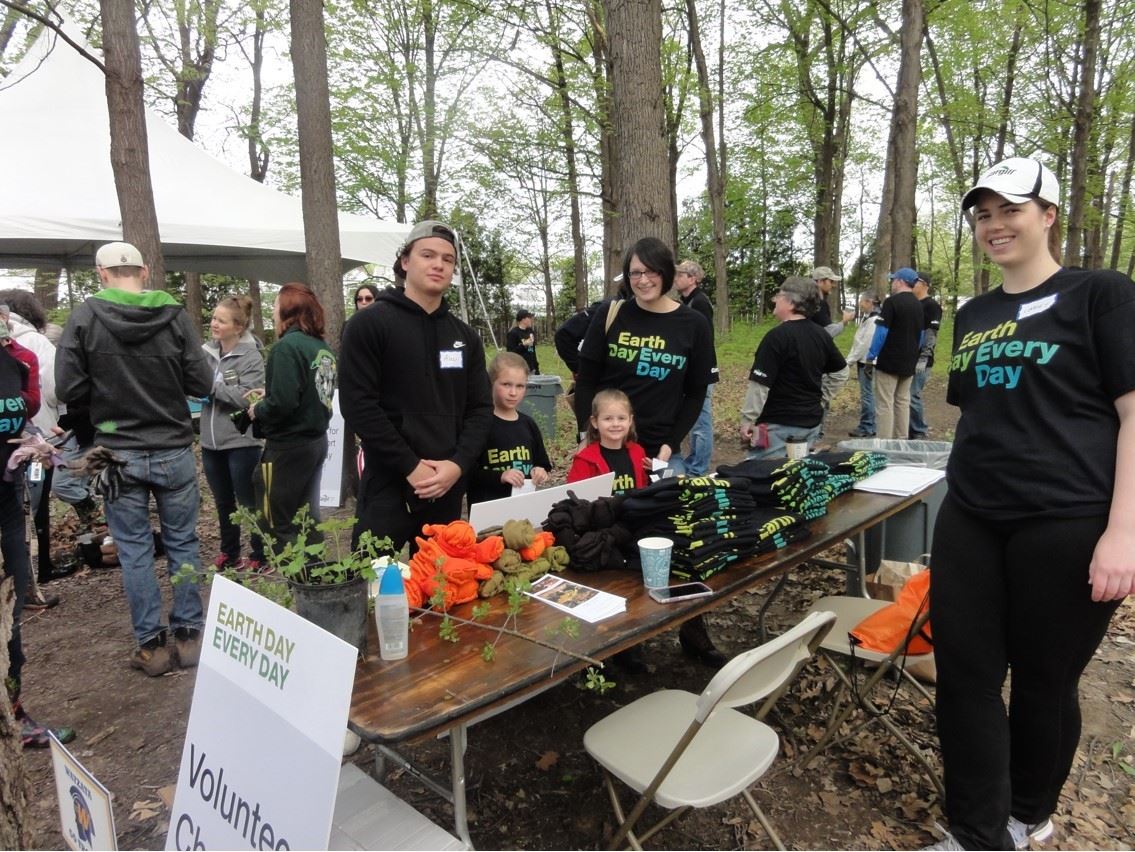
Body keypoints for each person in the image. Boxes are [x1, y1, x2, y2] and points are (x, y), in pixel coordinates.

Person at [925, 157, 1135, 851]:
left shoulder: (1098, 293)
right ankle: (978, 834)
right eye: (981, 213)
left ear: (1046, 215)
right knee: (964, 678)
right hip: (973, 515)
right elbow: (984, 411)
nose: (993, 224)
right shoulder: (974, 313)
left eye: (1009, 209)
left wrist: (1122, 534)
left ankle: (1026, 814)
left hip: (1066, 519)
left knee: (1044, 682)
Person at [55, 241, 213, 677]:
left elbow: (68, 388)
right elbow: (201, 381)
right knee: (183, 543)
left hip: (116, 450)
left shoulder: (85, 317)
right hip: (173, 447)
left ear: (102, 274)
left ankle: (152, 647)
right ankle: (189, 636)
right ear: (143, 271)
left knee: (135, 550)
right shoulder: (175, 316)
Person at [574, 236, 720, 665]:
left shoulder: (693, 324)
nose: (643, 280)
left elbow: (696, 393)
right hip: (608, 446)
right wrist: (591, 431)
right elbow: (587, 379)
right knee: (611, 541)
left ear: (669, 274)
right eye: (635, 272)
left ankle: (693, 629)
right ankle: (623, 639)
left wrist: (671, 441)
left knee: (674, 539)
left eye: (651, 271)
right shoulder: (611, 314)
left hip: (658, 452)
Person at [339, 220, 492, 553]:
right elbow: (358, 405)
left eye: (447, 259)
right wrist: (409, 465)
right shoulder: (368, 325)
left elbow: (480, 408)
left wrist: (458, 464)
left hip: (446, 486)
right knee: (374, 586)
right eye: (428, 255)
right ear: (405, 261)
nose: (438, 264)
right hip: (387, 483)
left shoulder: (465, 338)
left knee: (445, 587)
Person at [247, 283, 336, 547]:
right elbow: (309, 390)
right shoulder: (320, 347)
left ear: (287, 310)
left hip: (287, 447)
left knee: (273, 520)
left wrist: (258, 408)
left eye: (275, 306)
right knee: (306, 516)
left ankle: (295, 580)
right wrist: (271, 392)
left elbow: (283, 404)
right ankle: (315, 576)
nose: (273, 312)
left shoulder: (285, 347)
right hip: (314, 443)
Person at [0, 290, 76, 591]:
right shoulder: (35, 346)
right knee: (31, 508)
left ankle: (29, 580)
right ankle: (35, 573)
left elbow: (35, 396)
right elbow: (57, 390)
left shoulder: (21, 352)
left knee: (25, 508)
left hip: (27, 441)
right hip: (35, 435)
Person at [740, 277, 847, 458]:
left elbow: (760, 386)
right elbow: (841, 372)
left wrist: (747, 420)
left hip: (778, 426)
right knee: (798, 477)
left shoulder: (776, 337)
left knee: (762, 477)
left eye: (779, 295)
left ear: (791, 302)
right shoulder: (821, 335)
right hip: (811, 424)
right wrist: (821, 399)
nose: (775, 299)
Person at [200, 295, 266, 571]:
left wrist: (211, 388)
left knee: (248, 502)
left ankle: (260, 554)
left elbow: (247, 397)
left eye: (221, 320)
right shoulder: (205, 353)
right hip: (209, 441)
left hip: (241, 441)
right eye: (214, 318)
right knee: (223, 502)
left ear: (238, 327)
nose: (214, 324)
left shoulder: (251, 357)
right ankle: (230, 553)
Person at [467, 352, 551, 505]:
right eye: (506, 384)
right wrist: (500, 476)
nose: (513, 393)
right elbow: (467, 471)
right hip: (488, 512)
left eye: (520, 386)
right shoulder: (479, 425)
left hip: (523, 508)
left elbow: (542, 463)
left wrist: (540, 471)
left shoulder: (529, 424)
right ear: (491, 382)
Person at [866, 267, 923, 439]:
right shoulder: (918, 304)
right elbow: (920, 335)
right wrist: (915, 353)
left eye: (893, 280)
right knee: (902, 402)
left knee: (885, 403)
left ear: (900, 281)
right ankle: (901, 440)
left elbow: (881, 332)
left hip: (889, 360)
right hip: (909, 360)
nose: (892, 283)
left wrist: (871, 355)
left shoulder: (892, 302)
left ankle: (884, 443)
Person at [674, 259, 718, 475]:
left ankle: (698, 469)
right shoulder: (685, 302)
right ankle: (692, 463)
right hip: (687, 371)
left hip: (700, 372)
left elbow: (703, 341)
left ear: (692, 278)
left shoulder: (699, 303)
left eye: (680, 275)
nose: (676, 279)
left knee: (701, 423)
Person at [567, 388, 647, 494]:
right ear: (595, 422)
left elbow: (644, 487)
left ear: (630, 420)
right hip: (600, 510)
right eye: (608, 419)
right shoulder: (585, 460)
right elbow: (574, 496)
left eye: (621, 418)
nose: (615, 424)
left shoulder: (638, 452)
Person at [809, 265, 855, 431]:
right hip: (816, 357)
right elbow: (827, 333)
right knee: (820, 397)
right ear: (820, 281)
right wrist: (844, 321)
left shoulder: (812, 302)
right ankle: (814, 436)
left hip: (813, 356)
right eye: (830, 281)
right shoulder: (819, 304)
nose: (833, 285)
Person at [908, 272, 941, 439]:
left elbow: (931, 334)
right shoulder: (912, 304)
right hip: (906, 357)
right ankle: (908, 429)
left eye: (917, 281)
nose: (913, 284)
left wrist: (924, 357)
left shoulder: (931, 306)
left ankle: (919, 430)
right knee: (904, 396)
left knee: (914, 394)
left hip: (922, 359)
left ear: (925, 284)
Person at [844, 293, 882, 437]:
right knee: (868, 394)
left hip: (868, 361)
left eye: (861, 301)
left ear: (869, 301)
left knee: (867, 394)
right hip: (866, 360)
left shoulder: (874, 320)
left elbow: (865, 344)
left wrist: (849, 361)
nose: (860, 304)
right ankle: (870, 425)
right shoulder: (870, 318)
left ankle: (867, 426)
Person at [506, 309, 540, 374]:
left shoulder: (530, 331)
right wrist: (523, 345)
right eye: (529, 317)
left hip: (530, 368)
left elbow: (531, 350)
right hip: (518, 369)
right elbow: (510, 353)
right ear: (523, 319)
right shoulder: (513, 333)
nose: (531, 320)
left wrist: (535, 367)